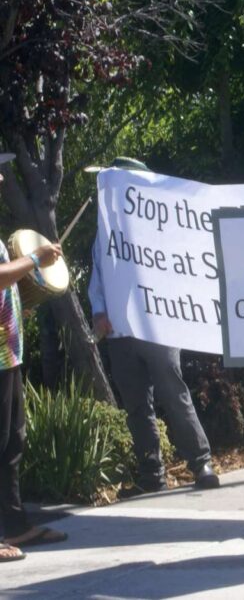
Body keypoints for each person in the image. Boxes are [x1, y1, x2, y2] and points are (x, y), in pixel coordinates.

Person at [88, 156, 220, 496]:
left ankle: (201, 462)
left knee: (173, 393)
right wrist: (99, 311)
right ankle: (152, 474)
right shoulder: (105, 230)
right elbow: (98, 278)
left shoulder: (162, 229)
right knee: (136, 405)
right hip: (119, 331)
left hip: (158, 328)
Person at [0, 153, 68, 562]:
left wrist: (22, 300)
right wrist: (35, 261)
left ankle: (14, 525)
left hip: (7, 351)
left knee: (12, 442)